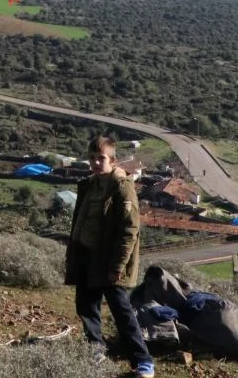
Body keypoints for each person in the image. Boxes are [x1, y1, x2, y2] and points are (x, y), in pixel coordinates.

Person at [65, 134, 154, 377]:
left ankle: (143, 360)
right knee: (86, 307)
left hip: (110, 260)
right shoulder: (88, 185)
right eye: (92, 157)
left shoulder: (122, 187)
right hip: (86, 255)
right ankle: (95, 350)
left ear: (112, 161)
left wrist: (117, 266)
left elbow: (129, 229)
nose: (95, 162)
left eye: (101, 158)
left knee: (121, 311)